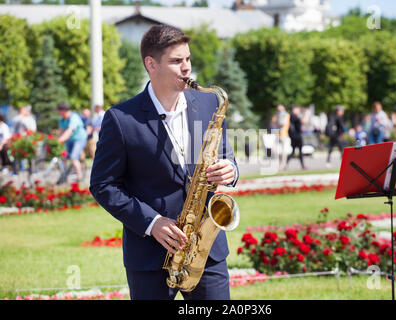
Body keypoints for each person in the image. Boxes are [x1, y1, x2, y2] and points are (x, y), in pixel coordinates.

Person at [89, 25, 238, 300]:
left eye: (188, 59)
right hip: (149, 256)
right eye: (176, 61)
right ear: (151, 64)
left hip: (206, 253)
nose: (186, 68)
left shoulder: (208, 104)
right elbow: (103, 185)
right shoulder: (121, 119)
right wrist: (152, 222)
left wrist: (230, 169)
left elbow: (225, 155)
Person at [57, 103, 88, 182]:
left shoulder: (74, 117)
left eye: (59, 111)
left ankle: (79, 177)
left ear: (63, 111)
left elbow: (69, 131)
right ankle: (64, 175)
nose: (58, 113)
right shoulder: (61, 119)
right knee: (63, 156)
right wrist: (57, 139)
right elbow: (61, 131)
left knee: (73, 157)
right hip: (69, 139)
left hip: (79, 139)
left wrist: (60, 140)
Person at [273, 104, 290, 171]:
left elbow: (284, 123)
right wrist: (278, 119)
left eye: (280, 109)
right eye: (278, 110)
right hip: (277, 134)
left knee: (284, 151)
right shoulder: (276, 115)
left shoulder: (286, 115)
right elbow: (273, 123)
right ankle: (279, 164)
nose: (279, 111)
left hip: (284, 135)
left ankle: (283, 164)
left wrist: (278, 120)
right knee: (275, 150)